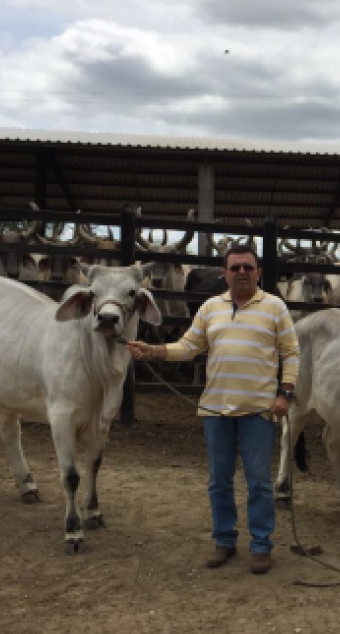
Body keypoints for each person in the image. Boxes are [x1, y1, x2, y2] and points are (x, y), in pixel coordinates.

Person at [127, 244, 300, 574]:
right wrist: (153, 351)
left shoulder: (275, 308)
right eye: (235, 268)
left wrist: (286, 393)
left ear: (259, 272)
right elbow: (189, 346)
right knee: (219, 481)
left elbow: (291, 353)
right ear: (225, 273)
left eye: (248, 267)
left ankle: (261, 545)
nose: (241, 273)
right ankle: (225, 541)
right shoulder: (210, 308)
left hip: (259, 411)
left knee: (259, 482)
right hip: (216, 410)